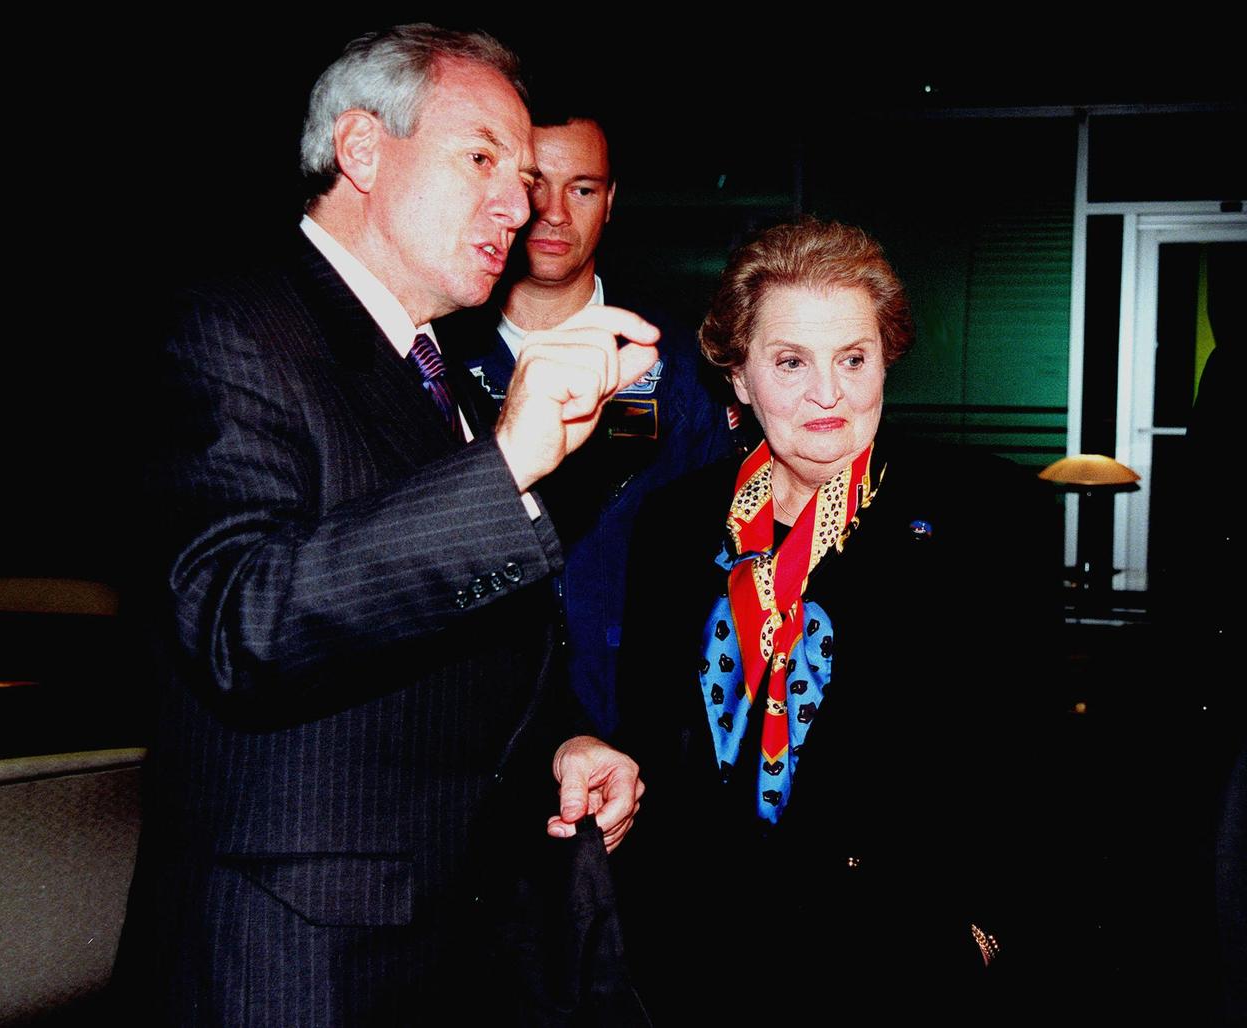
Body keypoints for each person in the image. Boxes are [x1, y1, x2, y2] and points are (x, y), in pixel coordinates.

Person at [116, 26, 649, 1025]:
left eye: (529, 174)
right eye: (482, 157)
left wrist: (559, 744)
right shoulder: (232, 326)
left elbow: (432, 645)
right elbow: (243, 620)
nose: (521, 200)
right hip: (286, 957)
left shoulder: (419, 363)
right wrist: (508, 465)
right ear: (361, 150)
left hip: (432, 944)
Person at [613, 218, 1058, 1021]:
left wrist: (986, 934)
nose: (829, 393)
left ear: (886, 357)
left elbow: (1033, 754)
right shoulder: (676, 523)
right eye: (790, 362)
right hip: (698, 958)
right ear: (739, 377)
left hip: (892, 963)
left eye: (853, 358)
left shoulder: (986, 513)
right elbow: (648, 732)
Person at [438, 112, 736, 735]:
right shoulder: (437, 363)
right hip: (472, 721)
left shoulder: (677, 364)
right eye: (534, 183)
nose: (552, 213)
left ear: (610, 202)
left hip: (642, 719)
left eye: (582, 188)